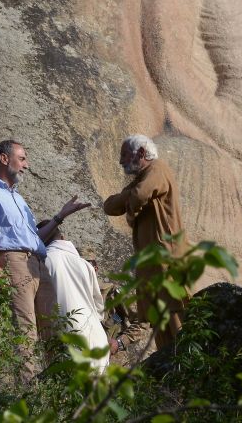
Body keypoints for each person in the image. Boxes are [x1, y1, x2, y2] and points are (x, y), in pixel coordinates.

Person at [0, 139, 91, 382]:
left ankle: (54, 390)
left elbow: (35, 239)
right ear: (5, 159)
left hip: (37, 264)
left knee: (53, 329)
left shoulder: (20, 200)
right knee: (25, 331)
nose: (26, 165)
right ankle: (30, 397)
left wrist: (59, 217)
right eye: (22, 158)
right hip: (14, 263)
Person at [102, 134, 187, 348]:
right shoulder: (141, 179)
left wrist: (130, 203)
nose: (121, 161)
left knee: (174, 313)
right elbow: (109, 206)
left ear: (141, 153)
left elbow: (140, 195)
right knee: (157, 316)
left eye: (124, 155)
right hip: (151, 264)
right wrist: (130, 200)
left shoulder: (157, 170)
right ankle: (170, 368)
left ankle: (186, 364)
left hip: (165, 259)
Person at [39, 222, 116, 372]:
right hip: (96, 338)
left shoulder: (42, 263)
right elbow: (99, 306)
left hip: (67, 338)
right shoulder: (85, 264)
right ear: (63, 237)